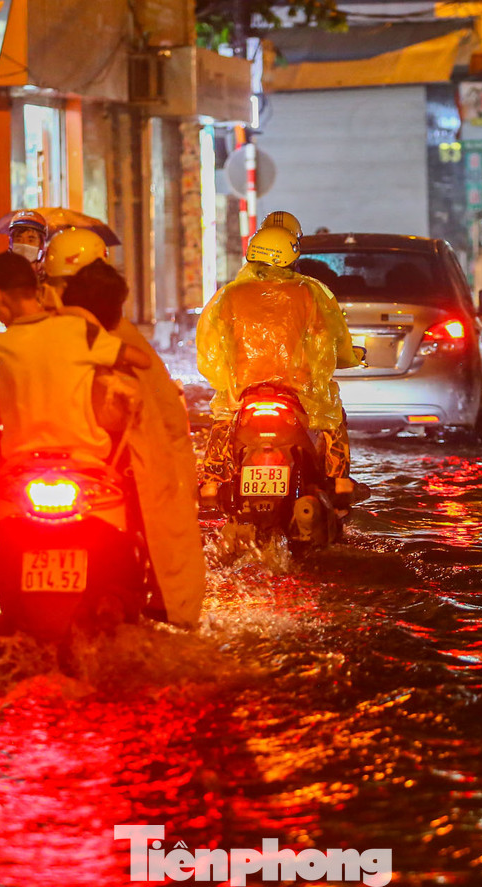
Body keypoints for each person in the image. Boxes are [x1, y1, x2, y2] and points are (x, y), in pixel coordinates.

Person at [0, 251, 151, 609]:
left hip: (20, 464)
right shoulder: (78, 330)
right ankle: (157, 579)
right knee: (139, 484)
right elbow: (141, 360)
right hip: (87, 461)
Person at [60, 260, 206, 628]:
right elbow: (168, 420)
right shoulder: (115, 340)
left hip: (65, 460)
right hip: (99, 462)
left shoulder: (42, 332)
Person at [196, 224, 360, 508]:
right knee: (332, 414)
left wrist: (229, 384)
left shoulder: (229, 295)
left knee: (223, 418)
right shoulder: (310, 292)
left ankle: (211, 483)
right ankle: (340, 479)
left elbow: (210, 353)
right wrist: (348, 359)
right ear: (291, 258)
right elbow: (327, 346)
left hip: (244, 394)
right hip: (297, 395)